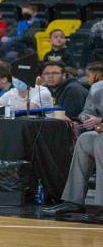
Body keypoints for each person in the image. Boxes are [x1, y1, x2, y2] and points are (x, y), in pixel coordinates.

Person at [42, 88, 103, 216]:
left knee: (100, 142)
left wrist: (100, 120)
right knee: (85, 139)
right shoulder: (98, 87)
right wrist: (85, 117)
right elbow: (87, 111)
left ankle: (101, 202)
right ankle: (74, 200)